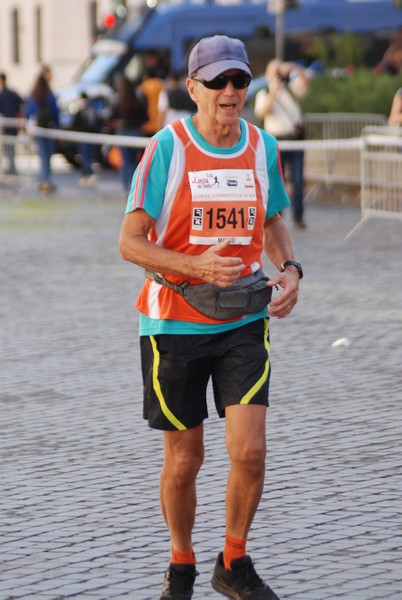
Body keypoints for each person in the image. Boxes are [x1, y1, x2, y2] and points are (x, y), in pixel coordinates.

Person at [119, 35, 303, 600]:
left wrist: (291, 267)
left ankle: (235, 559)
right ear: (194, 88)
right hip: (173, 322)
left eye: (240, 81)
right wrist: (192, 265)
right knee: (185, 458)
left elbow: (271, 222)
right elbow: (130, 242)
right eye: (218, 81)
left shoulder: (261, 147)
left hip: (243, 320)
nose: (230, 92)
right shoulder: (167, 149)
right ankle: (181, 565)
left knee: (250, 449)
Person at [254, 59, 309, 229]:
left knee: (298, 179)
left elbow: (306, 81)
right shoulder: (264, 93)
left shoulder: (291, 89)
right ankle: (277, 218)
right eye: (275, 71)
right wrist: (274, 92)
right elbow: (262, 112)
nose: (278, 74)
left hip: (295, 139)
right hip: (277, 141)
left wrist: (293, 67)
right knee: (278, 181)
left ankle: (298, 216)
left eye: (280, 71)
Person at [112, 75, 149, 192]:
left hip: (122, 132)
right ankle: (134, 188)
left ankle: (125, 188)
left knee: (126, 161)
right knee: (134, 162)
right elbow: (146, 117)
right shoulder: (139, 100)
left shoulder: (118, 100)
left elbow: (111, 116)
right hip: (136, 133)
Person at [25, 69, 59, 192]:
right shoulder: (50, 95)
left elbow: (28, 112)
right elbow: (55, 112)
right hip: (48, 128)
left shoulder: (33, 95)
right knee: (47, 156)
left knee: (43, 155)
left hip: (38, 128)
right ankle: (46, 180)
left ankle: (43, 180)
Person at [71, 92, 101, 187]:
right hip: (89, 138)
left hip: (84, 138)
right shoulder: (92, 110)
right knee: (86, 157)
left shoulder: (81, 111)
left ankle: (88, 174)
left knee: (86, 158)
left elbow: (75, 124)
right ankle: (86, 175)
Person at [0, 73, 24, 175]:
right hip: (13, 123)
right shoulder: (12, 92)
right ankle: (11, 167)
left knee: (8, 147)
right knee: (10, 147)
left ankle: (11, 167)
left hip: (8, 123)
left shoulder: (4, 94)